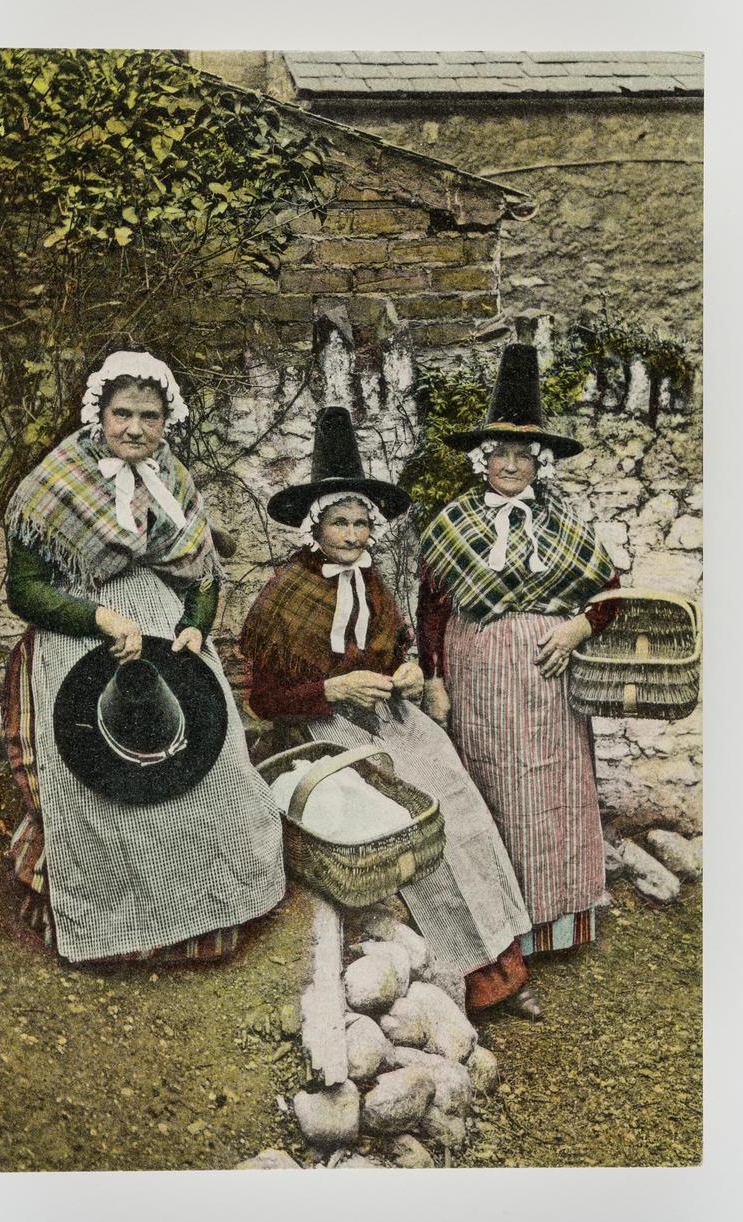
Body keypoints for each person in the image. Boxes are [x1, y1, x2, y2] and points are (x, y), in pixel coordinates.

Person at [240, 404, 538, 1020]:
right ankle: (466, 977)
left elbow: (398, 647)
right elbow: (264, 700)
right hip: (322, 727)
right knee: (416, 814)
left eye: (360, 524)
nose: (352, 536)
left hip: (388, 715)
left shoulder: (371, 581)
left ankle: (506, 963)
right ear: (313, 529)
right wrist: (334, 691)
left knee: (460, 800)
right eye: (339, 524)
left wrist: (408, 673)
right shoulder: (286, 592)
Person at [2, 350, 285, 964]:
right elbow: (24, 591)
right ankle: (117, 930)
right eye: (122, 413)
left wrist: (194, 627)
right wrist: (99, 616)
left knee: (211, 766)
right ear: (97, 414)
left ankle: (205, 920)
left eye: (149, 416)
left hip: (163, 636)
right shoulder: (52, 482)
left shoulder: (175, 479)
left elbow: (203, 573)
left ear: (167, 420)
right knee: (99, 780)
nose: (135, 428)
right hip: (79, 638)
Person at [418, 343, 619, 967]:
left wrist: (577, 631)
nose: (510, 465)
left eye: (522, 455)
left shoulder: (565, 523)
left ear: (540, 463)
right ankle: (500, 931)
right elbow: (431, 607)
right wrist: (435, 678)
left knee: (552, 788)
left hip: (550, 678)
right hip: (477, 672)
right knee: (491, 788)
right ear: (483, 461)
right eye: (499, 453)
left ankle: (558, 924)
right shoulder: (454, 522)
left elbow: (609, 595)